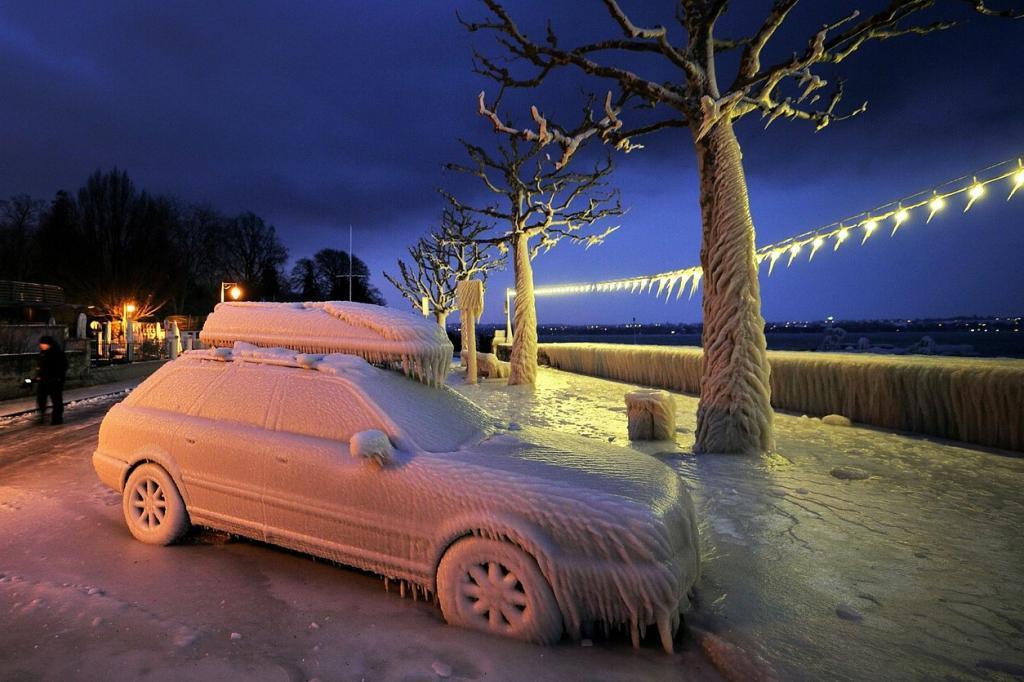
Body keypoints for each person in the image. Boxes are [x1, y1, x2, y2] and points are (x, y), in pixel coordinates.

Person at [36, 335, 68, 425]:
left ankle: (57, 418)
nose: (42, 346)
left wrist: (58, 378)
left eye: (44, 344)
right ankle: (41, 416)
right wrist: (39, 376)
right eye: (41, 344)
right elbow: (40, 367)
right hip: (43, 381)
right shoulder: (42, 354)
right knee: (41, 399)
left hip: (55, 381)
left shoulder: (57, 353)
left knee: (56, 400)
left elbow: (62, 366)